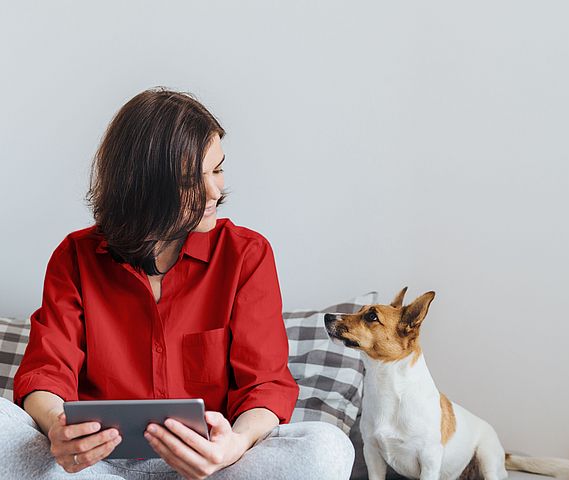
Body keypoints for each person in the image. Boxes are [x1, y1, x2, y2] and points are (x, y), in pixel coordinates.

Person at [0, 87, 355, 480]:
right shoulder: (75, 257)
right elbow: (47, 371)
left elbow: (266, 385)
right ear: (140, 186)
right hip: (95, 470)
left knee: (327, 447)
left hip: (214, 468)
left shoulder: (246, 255)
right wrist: (58, 428)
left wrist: (232, 446)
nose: (214, 193)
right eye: (190, 180)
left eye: (217, 169)